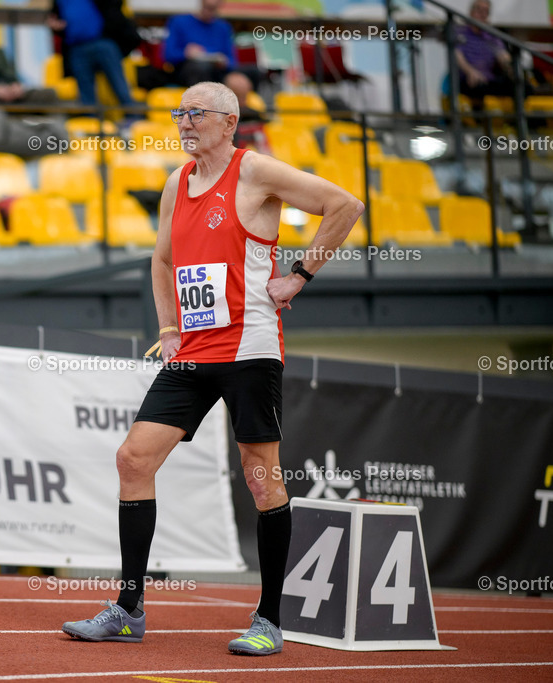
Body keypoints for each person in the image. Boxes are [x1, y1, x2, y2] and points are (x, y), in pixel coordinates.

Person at [60, 81, 364, 654]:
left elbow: (346, 205)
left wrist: (299, 274)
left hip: (249, 348)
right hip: (194, 351)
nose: (183, 122)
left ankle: (269, 619)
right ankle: (128, 609)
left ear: (229, 121)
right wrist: (169, 328)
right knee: (133, 458)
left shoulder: (256, 172)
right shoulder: (177, 182)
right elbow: (163, 257)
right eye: (178, 113)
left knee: (260, 477)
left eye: (195, 113)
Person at [48, 0, 135, 110]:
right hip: (76, 47)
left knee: (118, 83)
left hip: (103, 42)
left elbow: (115, 10)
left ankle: (132, 116)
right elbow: (55, 19)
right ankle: (90, 121)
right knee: (85, 91)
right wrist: (56, 27)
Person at [165, 0, 257, 99]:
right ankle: (203, 104)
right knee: (200, 68)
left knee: (253, 71)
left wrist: (225, 62)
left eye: (213, 7)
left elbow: (232, 60)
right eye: (208, 6)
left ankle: (247, 109)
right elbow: (168, 55)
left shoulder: (223, 27)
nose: (210, 8)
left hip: (218, 71)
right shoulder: (178, 21)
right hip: (190, 70)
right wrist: (185, 53)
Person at [454, 0, 518, 106]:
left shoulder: (491, 36)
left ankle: (518, 119)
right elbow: (457, 56)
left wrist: (510, 68)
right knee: (477, 87)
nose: (482, 14)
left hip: (488, 80)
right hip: (468, 79)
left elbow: (502, 55)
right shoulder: (459, 32)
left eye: (486, 11)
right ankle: (479, 119)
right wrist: (470, 71)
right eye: (479, 9)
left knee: (521, 85)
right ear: (471, 12)